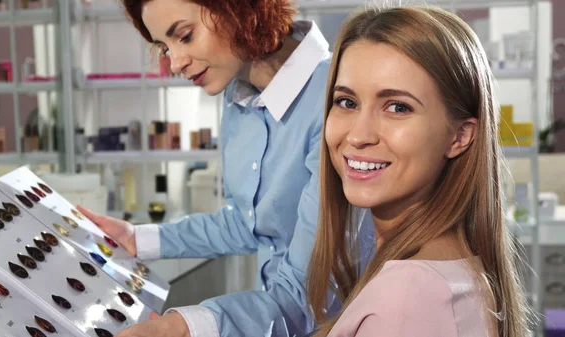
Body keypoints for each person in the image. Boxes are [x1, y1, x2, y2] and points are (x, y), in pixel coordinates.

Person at [77, 0, 374, 336]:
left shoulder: (337, 101)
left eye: (185, 36)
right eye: (164, 46)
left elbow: (306, 295)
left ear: (240, 9)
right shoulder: (240, 96)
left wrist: (180, 327)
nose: (175, 63)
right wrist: (138, 238)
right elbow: (249, 222)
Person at [306, 6, 533, 337]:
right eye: (347, 102)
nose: (358, 135)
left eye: (398, 107)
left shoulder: (406, 298)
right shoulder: (448, 273)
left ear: (459, 136)